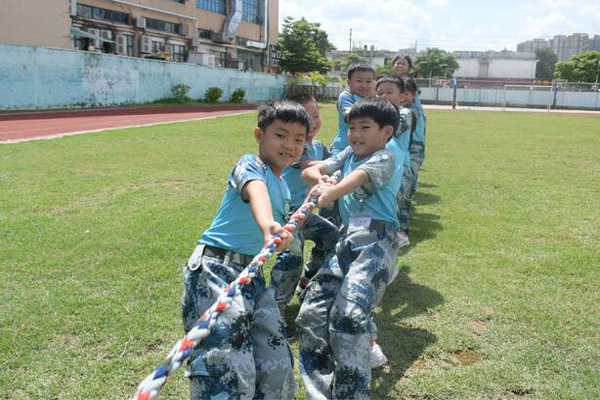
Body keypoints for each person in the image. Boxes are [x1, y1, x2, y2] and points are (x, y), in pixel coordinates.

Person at [181, 100, 311, 400]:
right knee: (223, 360)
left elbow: (285, 225)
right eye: (280, 135)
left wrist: (286, 232)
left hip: (252, 277)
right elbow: (256, 190)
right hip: (216, 270)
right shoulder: (250, 166)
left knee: (275, 360)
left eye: (298, 139)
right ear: (259, 135)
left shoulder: (285, 186)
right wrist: (268, 225)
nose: (289, 145)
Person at [296, 97, 402, 399]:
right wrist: (322, 177)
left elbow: (359, 178)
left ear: (386, 132)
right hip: (347, 239)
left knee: (349, 315)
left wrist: (330, 190)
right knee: (311, 315)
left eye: (364, 127)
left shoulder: (384, 157)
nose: (355, 134)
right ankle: (320, 393)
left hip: (376, 241)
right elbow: (310, 171)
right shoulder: (348, 153)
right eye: (351, 127)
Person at [269, 94, 339, 337]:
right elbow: (309, 164)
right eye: (307, 117)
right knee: (291, 257)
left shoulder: (318, 146)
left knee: (332, 237)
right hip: (285, 216)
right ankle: (273, 313)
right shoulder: (292, 147)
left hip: (305, 213)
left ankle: (308, 281)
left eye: (316, 115)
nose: (313, 121)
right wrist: (331, 167)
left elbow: (330, 162)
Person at [376, 75, 416, 244]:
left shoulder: (405, 113)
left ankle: (402, 234)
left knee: (399, 201)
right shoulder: (377, 114)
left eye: (389, 92)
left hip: (402, 167)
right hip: (384, 166)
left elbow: (394, 128)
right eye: (380, 93)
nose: (384, 96)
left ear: (402, 96)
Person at [330, 62, 376, 155]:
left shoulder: (374, 99)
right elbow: (351, 116)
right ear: (348, 82)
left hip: (364, 148)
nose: (364, 85)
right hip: (342, 148)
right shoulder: (346, 96)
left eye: (368, 81)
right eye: (359, 81)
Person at [403, 76, 426, 186]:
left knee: (410, 173)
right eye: (400, 93)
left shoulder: (412, 111)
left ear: (414, 95)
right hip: (410, 145)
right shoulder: (409, 109)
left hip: (414, 147)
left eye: (406, 94)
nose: (402, 97)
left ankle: (407, 196)